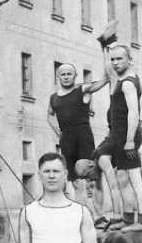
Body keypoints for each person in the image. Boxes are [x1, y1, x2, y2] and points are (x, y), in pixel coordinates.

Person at [46, 64, 107, 215]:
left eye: (69, 74)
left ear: (75, 76)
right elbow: (49, 115)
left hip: (83, 135)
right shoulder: (54, 98)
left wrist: (107, 54)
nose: (66, 76)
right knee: (75, 181)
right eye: (63, 74)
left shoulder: (82, 90)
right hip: (66, 139)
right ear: (58, 77)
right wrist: (58, 131)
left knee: (90, 178)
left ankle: (98, 214)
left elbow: (101, 82)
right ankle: (85, 215)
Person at [103, 41, 142, 231]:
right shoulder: (124, 78)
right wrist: (105, 47)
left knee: (135, 178)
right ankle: (128, 219)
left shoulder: (128, 83)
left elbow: (134, 113)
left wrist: (130, 140)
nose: (114, 63)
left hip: (127, 138)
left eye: (119, 58)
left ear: (130, 60)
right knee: (122, 177)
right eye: (112, 59)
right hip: (120, 137)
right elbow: (108, 70)